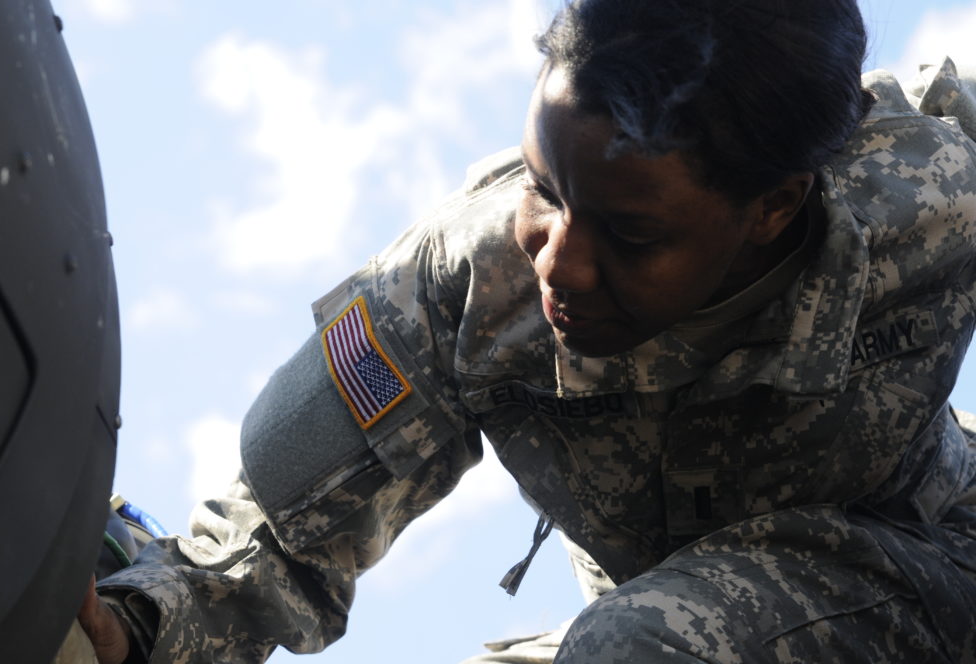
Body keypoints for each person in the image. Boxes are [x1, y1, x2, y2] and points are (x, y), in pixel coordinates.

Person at [81, 0, 976, 662]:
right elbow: (276, 536)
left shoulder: (926, 190)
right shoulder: (465, 286)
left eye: (630, 235)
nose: (559, 264)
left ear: (774, 207)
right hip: (651, 624)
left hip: (929, 561)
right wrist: (134, 628)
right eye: (546, 189)